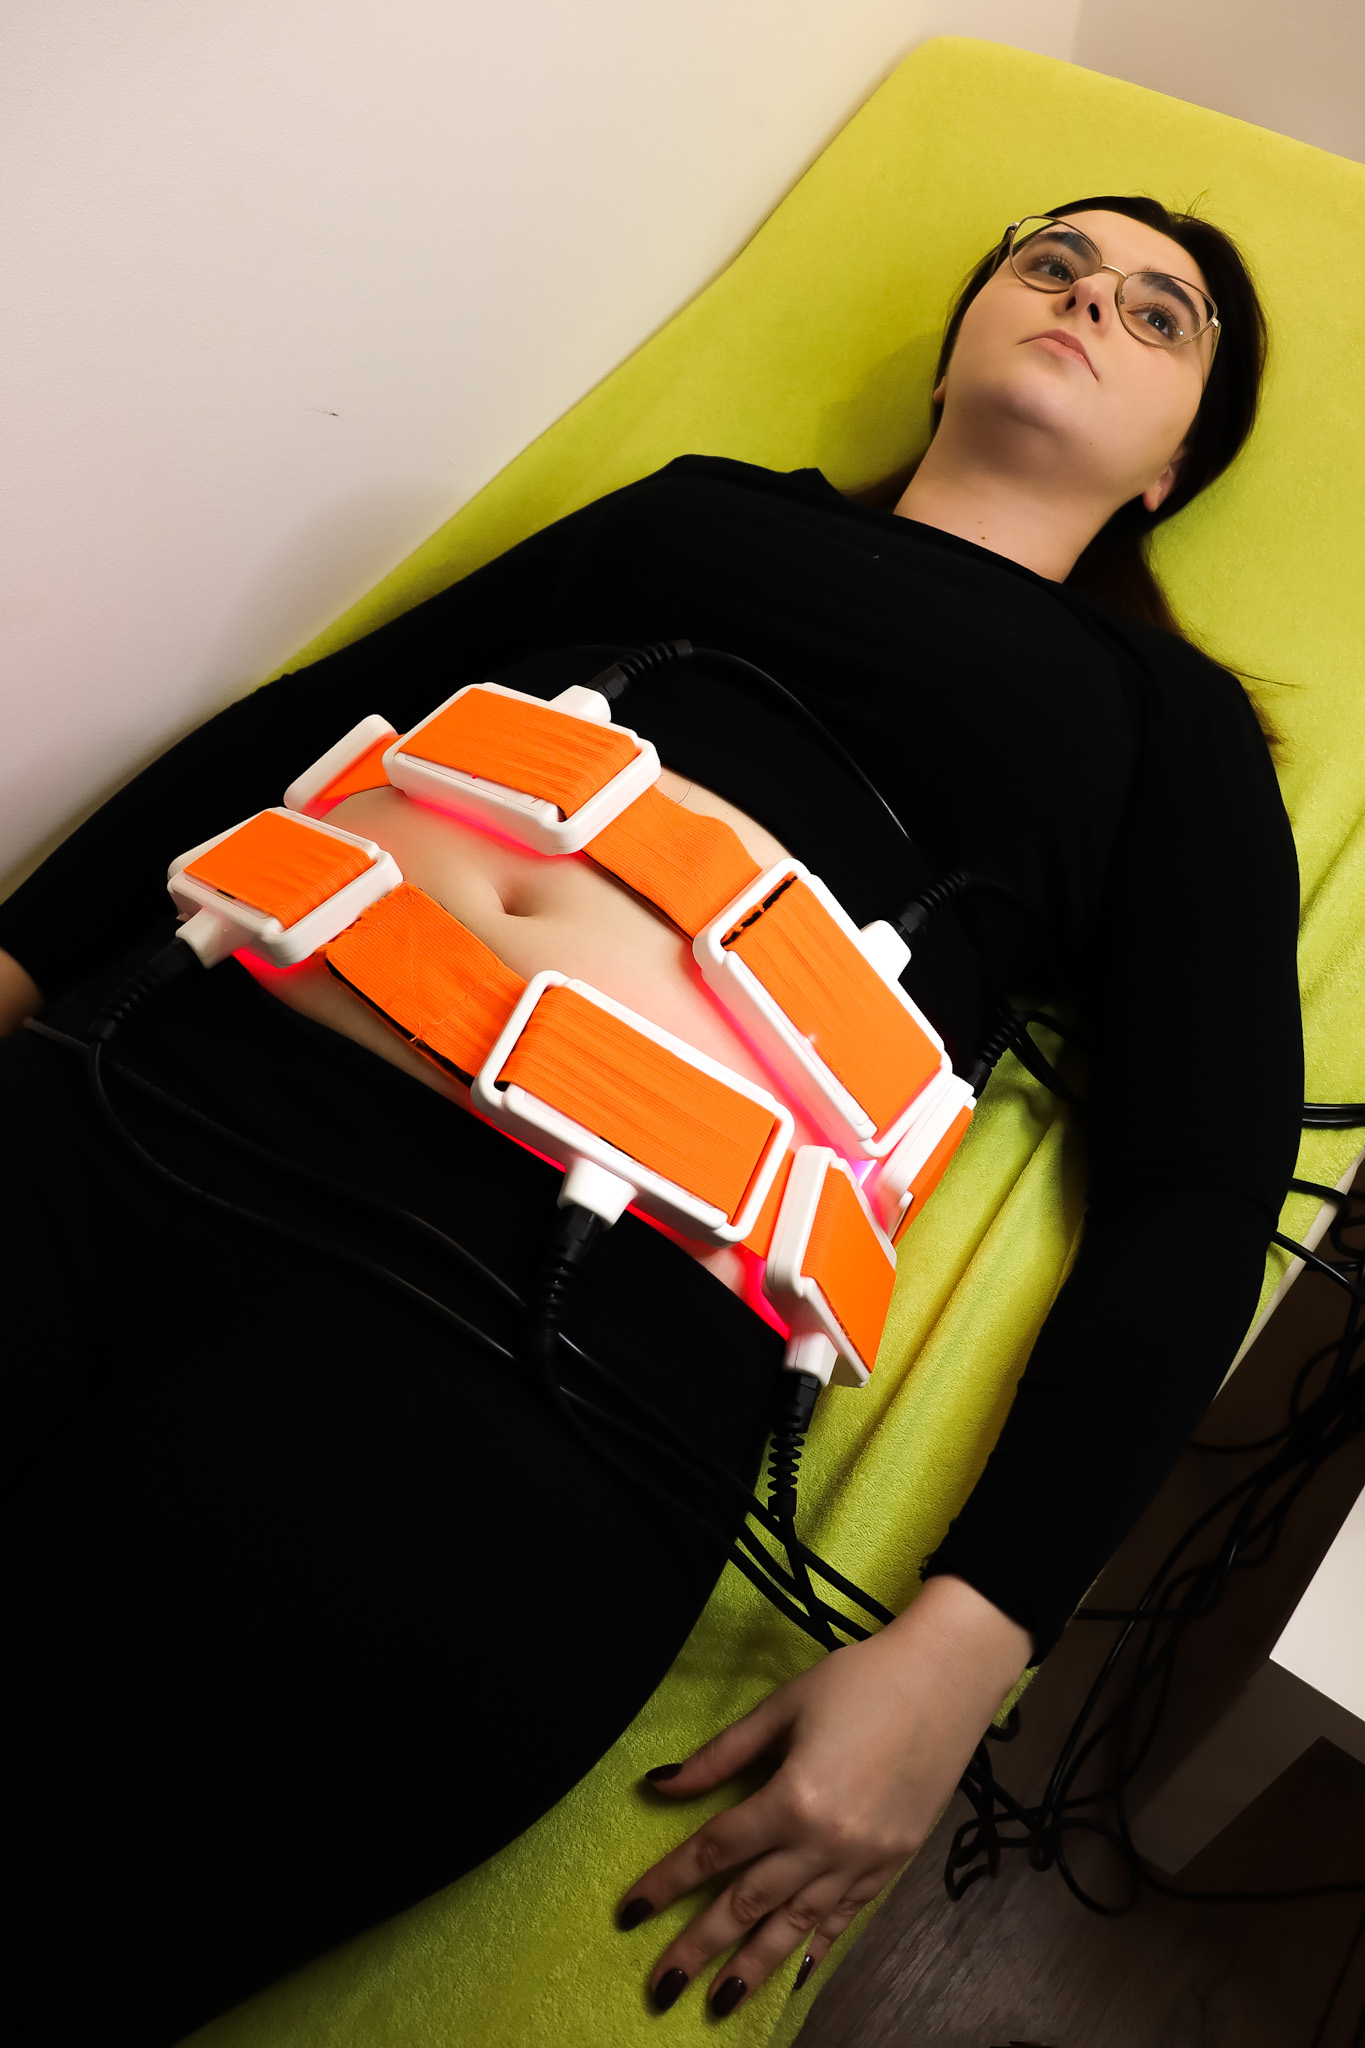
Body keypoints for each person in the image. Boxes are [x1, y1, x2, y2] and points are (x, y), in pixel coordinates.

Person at [0, 197, 1301, 2041]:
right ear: (956, 339)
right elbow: (303, 723)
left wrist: (971, 1639)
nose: (1089, 296)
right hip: (141, 1089)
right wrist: (15, 966)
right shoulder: (696, 513)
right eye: (1047, 262)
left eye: (1158, 315)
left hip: (536, 1347)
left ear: (1172, 466)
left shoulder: (1161, 722)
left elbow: (1199, 1184)